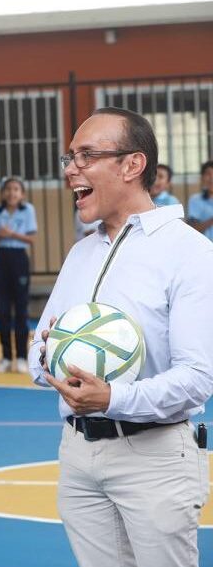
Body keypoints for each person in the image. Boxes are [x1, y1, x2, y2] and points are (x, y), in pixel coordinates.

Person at [30, 107, 213, 567]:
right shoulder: (80, 252)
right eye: (69, 157)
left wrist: (111, 398)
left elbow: (197, 378)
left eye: (87, 155)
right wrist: (48, 358)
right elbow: (39, 349)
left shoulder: (189, 252)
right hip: (77, 453)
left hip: (154, 459)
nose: (72, 168)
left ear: (132, 165)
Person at [0, 177, 37, 373]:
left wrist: (12, 234)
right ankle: (6, 357)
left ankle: (22, 357)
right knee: (2, 309)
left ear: (22, 194)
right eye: (8, 189)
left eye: (16, 189)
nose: (12, 193)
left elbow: (31, 239)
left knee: (21, 308)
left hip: (18, 258)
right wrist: (0, 235)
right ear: (3, 193)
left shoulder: (28, 210)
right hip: (1, 258)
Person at [186, 159, 213, 241]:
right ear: (202, 177)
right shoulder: (195, 200)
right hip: (206, 248)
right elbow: (192, 229)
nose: (212, 178)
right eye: (208, 173)